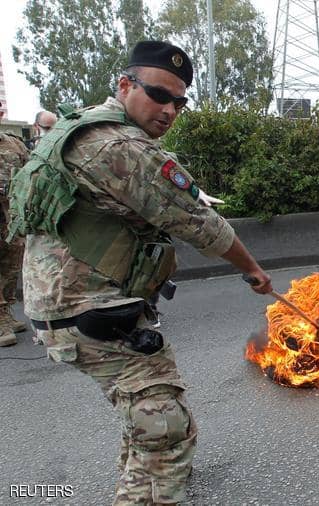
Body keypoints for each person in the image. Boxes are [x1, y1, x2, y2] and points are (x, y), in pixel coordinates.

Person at [5, 41, 273, 504]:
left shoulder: (80, 128)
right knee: (166, 431)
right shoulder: (120, 145)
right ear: (126, 85)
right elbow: (199, 224)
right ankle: (147, 491)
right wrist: (253, 271)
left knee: (144, 419)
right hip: (94, 311)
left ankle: (144, 481)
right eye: (159, 95)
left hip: (64, 308)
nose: (170, 110)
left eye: (179, 101)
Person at [0, 101, 30, 346]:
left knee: (12, 264)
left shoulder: (14, 143)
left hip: (12, 217)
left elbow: (30, 172)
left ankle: (6, 312)